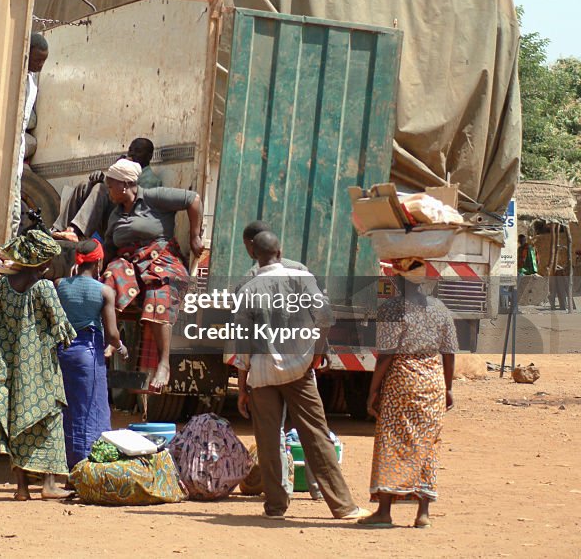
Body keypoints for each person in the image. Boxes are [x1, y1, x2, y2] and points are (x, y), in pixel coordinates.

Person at [229, 231, 369, 521]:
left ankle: (275, 507)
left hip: (262, 374)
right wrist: (317, 352)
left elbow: (242, 346)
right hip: (300, 370)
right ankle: (342, 506)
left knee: (267, 441)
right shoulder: (301, 279)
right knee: (316, 436)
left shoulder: (248, 291)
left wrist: (242, 388)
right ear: (280, 252)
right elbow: (326, 318)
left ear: (254, 254)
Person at [358, 258, 457, 528]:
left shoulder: (392, 309)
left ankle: (384, 511)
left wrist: (373, 390)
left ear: (400, 280)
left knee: (392, 441)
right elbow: (449, 354)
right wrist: (447, 388)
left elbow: (385, 357)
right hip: (433, 383)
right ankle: (423, 513)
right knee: (427, 444)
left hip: (401, 382)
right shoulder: (440, 309)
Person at [0, 229, 76, 500]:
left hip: (10, 363)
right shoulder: (43, 287)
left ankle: (22, 488)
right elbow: (62, 327)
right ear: (40, 262)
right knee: (49, 419)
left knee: (15, 420)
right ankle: (48, 485)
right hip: (40, 366)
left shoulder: (2, 286)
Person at [101, 159, 203, 392]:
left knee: (160, 288)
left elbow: (193, 199)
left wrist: (195, 235)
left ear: (125, 185)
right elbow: (109, 246)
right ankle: (112, 339)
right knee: (111, 274)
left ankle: (164, 363)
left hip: (160, 258)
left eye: (111, 185)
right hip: (130, 262)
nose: (108, 191)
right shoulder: (115, 215)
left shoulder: (153, 197)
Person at [55, 238, 127, 469]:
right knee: (92, 410)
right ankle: (88, 466)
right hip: (88, 355)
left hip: (62, 353)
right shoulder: (105, 291)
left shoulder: (60, 285)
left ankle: (67, 463)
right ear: (99, 263)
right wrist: (120, 346)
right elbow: (112, 334)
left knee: (68, 410)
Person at [53, 138, 163, 241]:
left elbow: (134, 207)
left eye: (137, 151)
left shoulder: (150, 180)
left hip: (124, 223)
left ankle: (76, 231)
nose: (132, 154)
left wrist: (110, 182)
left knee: (100, 188)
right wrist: (103, 179)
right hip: (110, 216)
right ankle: (58, 229)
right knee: (84, 186)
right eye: (130, 150)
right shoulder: (126, 171)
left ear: (149, 156)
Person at [10, 33, 49, 235]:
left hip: (17, 157)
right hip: (8, 155)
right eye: (37, 59)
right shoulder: (14, 76)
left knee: (15, 214)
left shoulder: (32, 81)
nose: (41, 64)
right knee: (12, 212)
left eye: (44, 60)